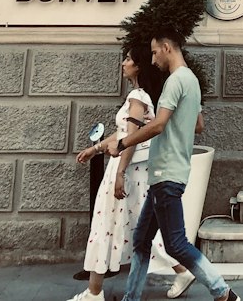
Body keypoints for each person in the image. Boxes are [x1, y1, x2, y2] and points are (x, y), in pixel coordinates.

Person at [99, 27, 240, 301]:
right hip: (166, 173)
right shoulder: (192, 81)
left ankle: (224, 293)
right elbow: (198, 125)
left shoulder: (175, 81)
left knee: (176, 244)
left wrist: (124, 143)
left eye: (154, 52)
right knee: (141, 242)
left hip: (166, 172)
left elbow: (159, 125)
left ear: (167, 48)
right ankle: (131, 297)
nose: (152, 60)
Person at [69, 46, 189, 301]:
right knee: (136, 228)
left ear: (138, 66)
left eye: (128, 59)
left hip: (127, 169)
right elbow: (124, 134)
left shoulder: (138, 96)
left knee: (107, 225)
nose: (123, 63)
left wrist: (120, 173)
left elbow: (130, 139)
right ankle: (182, 270)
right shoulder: (140, 96)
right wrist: (96, 148)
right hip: (133, 168)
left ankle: (94, 292)